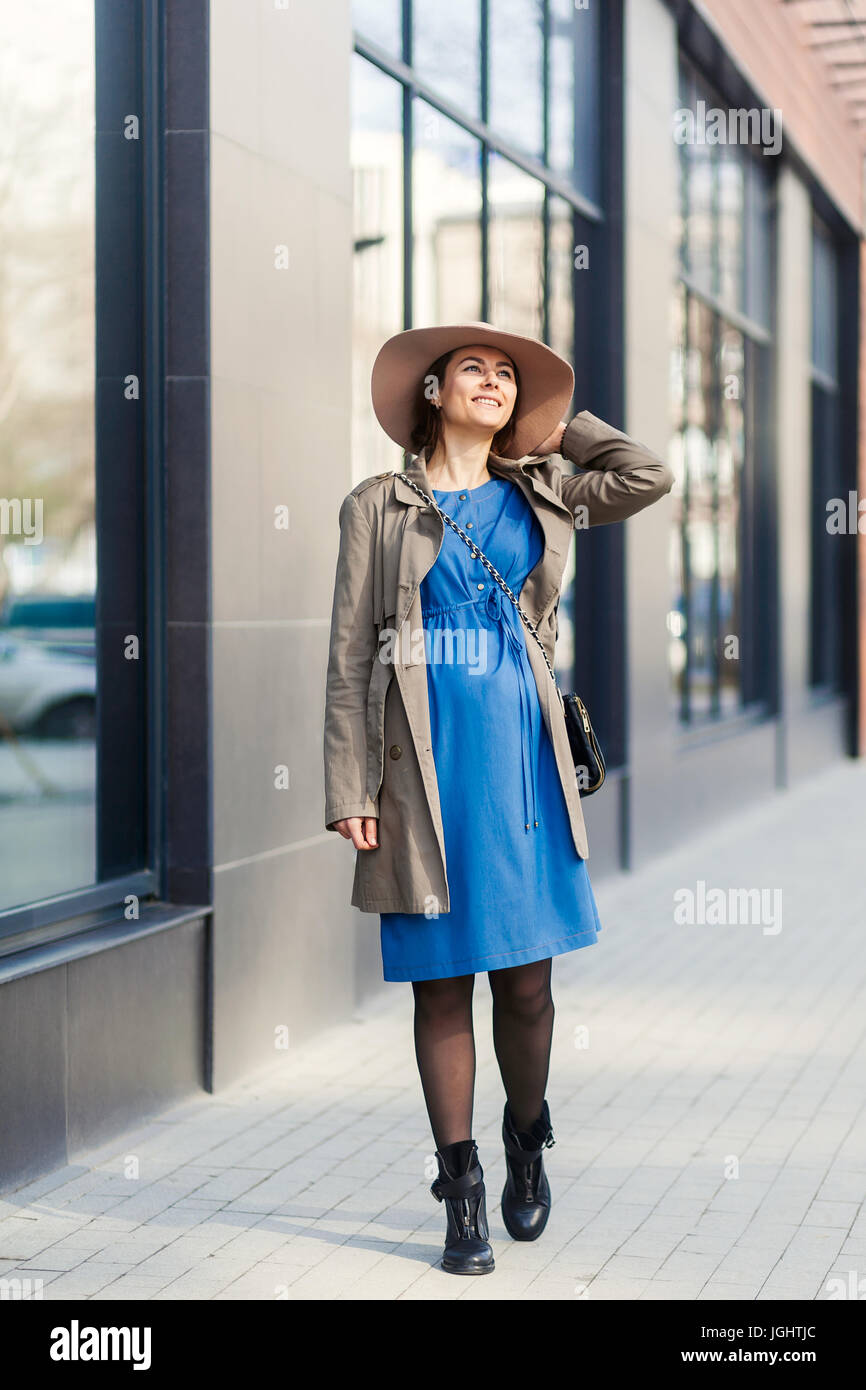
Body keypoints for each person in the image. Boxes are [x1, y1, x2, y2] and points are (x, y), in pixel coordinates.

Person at [323, 321, 674, 1275]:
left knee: (526, 984)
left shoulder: (544, 490)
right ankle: (461, 1187)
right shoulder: (377, 506)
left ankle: (527, 1137)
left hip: (521, 763)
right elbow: (352, 655)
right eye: (472, 368)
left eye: (507, 376)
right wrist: (350, 785)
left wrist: (558, 432)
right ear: (431, 392)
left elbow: (646, 475)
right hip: (420, 774)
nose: (492, 381)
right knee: (442, 984)